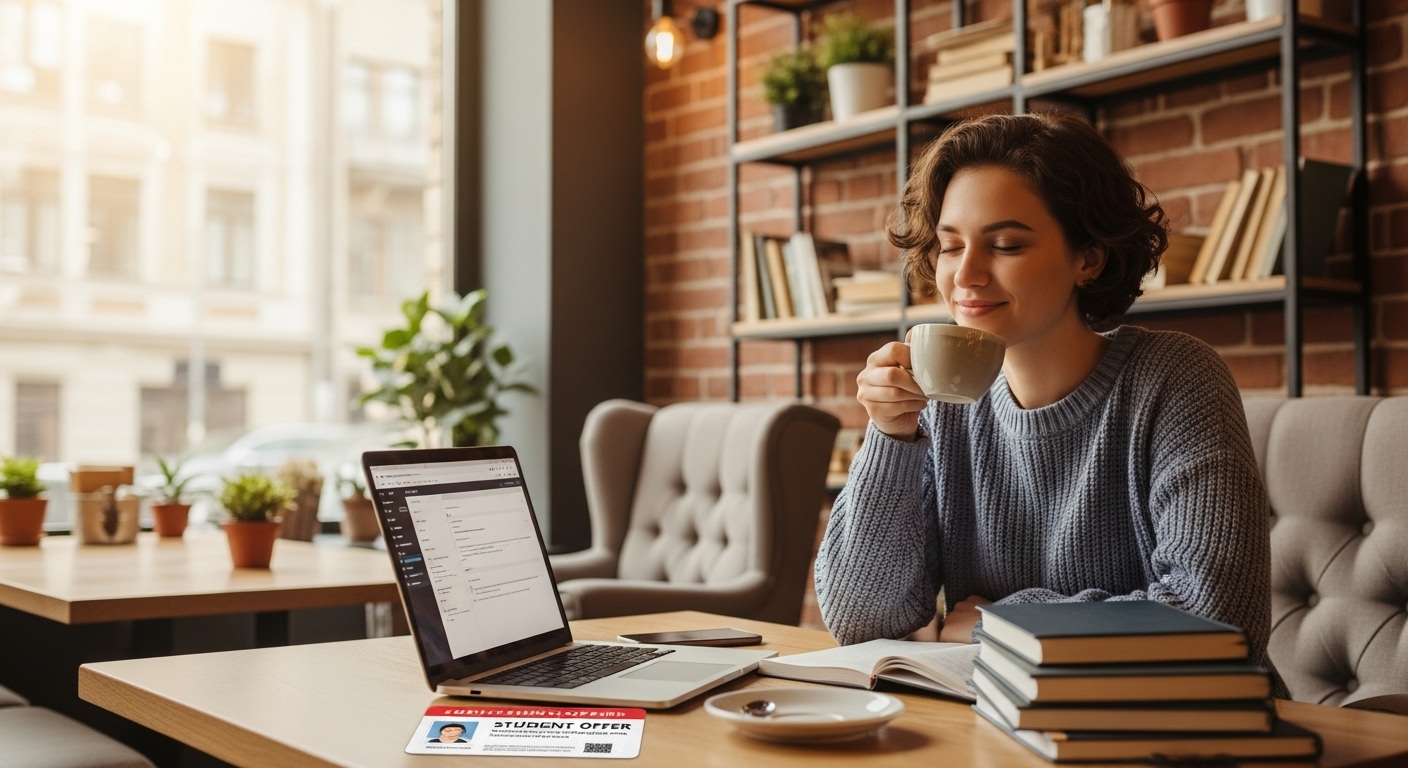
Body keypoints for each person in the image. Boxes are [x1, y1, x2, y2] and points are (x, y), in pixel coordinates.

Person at [814, 113, 1276, 673]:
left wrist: (1003, 623)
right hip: (1001, 727)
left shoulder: (1176, 379)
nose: (966, 275)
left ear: (1089, 257)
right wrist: (891, 436)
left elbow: (1220, 622)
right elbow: (862, 619)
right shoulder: (948, 408)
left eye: (1005, 245)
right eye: (950, 246)